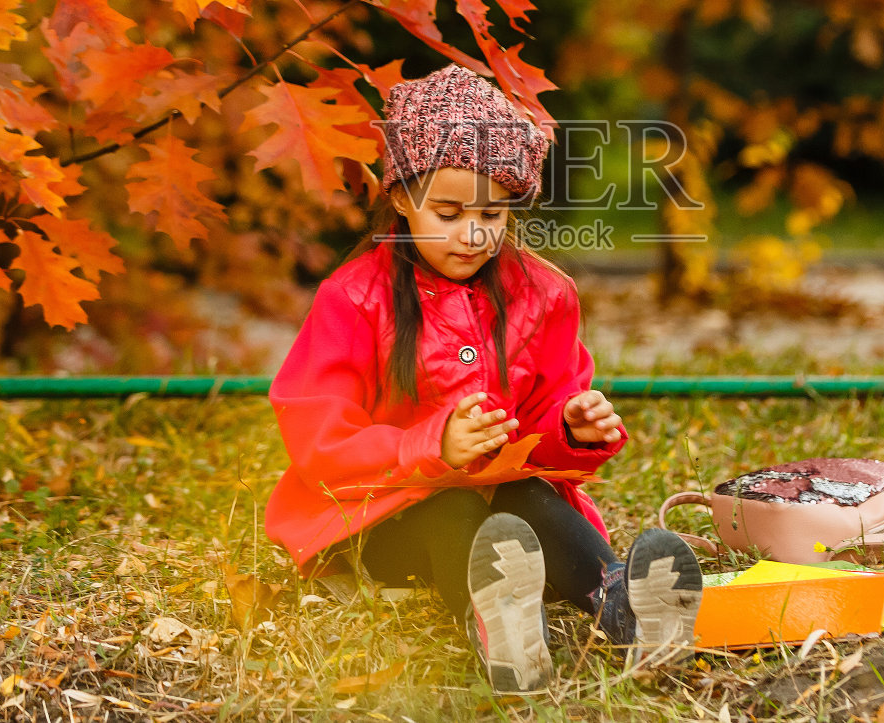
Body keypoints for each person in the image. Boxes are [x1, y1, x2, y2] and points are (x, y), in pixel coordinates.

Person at [264, 63, 703, 692]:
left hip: (509, 513)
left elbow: (548, 412)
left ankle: (623, 609)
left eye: (492, 214)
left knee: (526, 499)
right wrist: (430, 446)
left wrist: (571, 429)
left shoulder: (543, 293)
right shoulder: (354, 298)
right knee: (455, 505)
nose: (473, 235)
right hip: (380, 519)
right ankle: (501, 633)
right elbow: (318, 438)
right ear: (400, 198)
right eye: (447, 212)